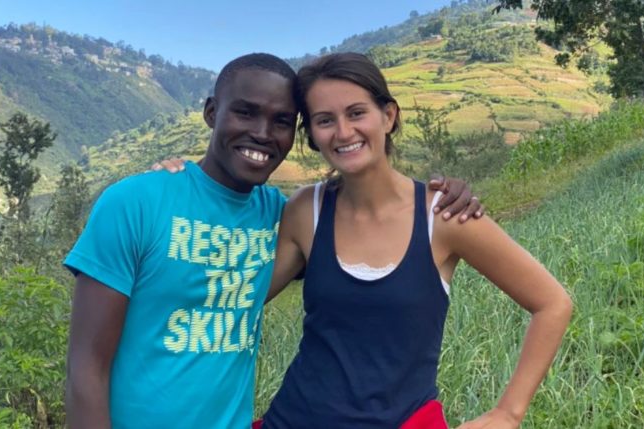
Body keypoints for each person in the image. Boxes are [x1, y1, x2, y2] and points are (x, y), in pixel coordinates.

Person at [64, 52, 481, 429]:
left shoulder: (280, 215)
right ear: (212, 112)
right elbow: (87, 366)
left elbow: (361, 236)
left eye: (282, 121)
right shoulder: (134, 202)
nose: (263, 133)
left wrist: (443, 195)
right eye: (245, 113)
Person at [254, 53, 573, 429]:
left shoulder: (444, 216)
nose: (343, 132)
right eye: (325, 120)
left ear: (388, 116)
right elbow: (236, 300)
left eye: (357, 113)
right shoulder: (307, 210)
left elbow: (552, 304)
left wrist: (508, 413)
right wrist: (180, 185)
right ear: (312, 135)